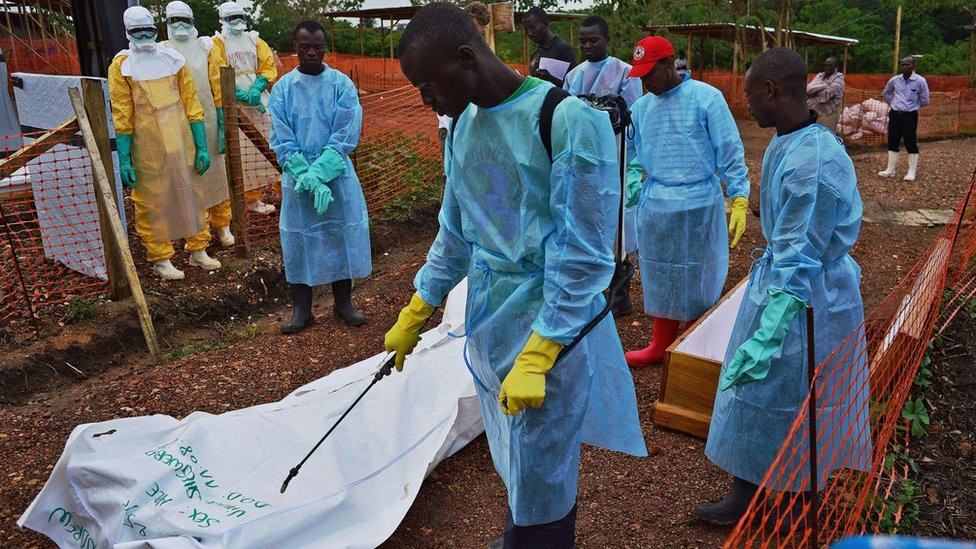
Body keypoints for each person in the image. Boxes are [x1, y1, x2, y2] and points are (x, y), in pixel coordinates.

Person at [385, 4, 645, 546]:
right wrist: (418, 306)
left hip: (550, 323)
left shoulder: (567, 120)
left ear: (466, 58)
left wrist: (543, 348)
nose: (424, 100)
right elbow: (456, 233)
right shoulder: (463, 128)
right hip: (492, 321)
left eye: (427, 85)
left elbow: (584, 254)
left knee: (544, 468)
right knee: (515, 456)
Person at [696, 47, 870, 527]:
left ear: (772, 90)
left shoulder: (811, 162)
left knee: (799, 399)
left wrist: (770, 333)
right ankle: (748, 491)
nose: (746, 102)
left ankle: (795, 502)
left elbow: (801, 256)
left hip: (807, 301)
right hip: (780, 284)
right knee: (760, 398)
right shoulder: (787, 139)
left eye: (750, 92)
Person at [623, 36, 750, 368]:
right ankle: (660, 344)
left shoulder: (706, 99)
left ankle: (696, 345)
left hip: (698, 203)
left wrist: (738, 196)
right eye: (641, 76)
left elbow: (730, 150)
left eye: (650, 73)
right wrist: (633, 175)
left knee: (699, 275)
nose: (645, 82)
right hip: (658, 204)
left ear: (670, 63)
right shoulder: (641, 108)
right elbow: (633, 153)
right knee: (662, 273)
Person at [269, 21, 372, 332]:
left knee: (339, 233)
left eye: (317, 46)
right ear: (295, 47)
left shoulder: (341, 85)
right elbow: (281, 136)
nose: (311, 52)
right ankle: (302, 310)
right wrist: (307, 175)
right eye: (305, 46)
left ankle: (344, 303)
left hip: (336, 174)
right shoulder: (283, 89)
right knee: (299, 239)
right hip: (298, 180)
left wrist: (322, 171)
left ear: (324, 47)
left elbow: (345, 132)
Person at [108, 6, 221, 280]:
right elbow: (122, 114)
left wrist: (202, 145)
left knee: (192, 192)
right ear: (128, 33)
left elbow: (192, 103)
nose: (145, 36)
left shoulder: (173, 59)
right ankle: (161, 258)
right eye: (138, 32)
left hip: (181, 139)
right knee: (152, 201)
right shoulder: (122, 66)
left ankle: (198, 249)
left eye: (149, 30)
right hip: (147, 146)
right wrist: (124, 158)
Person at [563, 14, 642, 317]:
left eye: (593, 40)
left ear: (606, 39)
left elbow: (631, 111)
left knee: (618, 213)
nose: (586, 45)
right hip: (584, 155)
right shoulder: (575, 75)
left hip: (618, 150)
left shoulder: (625, 72)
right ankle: (591, 284)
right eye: (582, 40)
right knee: (588, 213)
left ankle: (620, 287)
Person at [163, 0, 235, 250]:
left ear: (193, 22)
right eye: (175, 20)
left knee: (216, 174)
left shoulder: (206, 48)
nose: (180, 25)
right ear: (167, 23)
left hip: (209, 123)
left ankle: (222, 225)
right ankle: (196, 237)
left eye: (185, 20)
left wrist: (222, 122)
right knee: (189, 179)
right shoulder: (161, 50)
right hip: (176, 124)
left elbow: (217, 85)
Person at [213, 1, 279, 214]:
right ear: (222, 20)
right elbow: (217, 72)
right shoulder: (217, 43)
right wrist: (239, 94)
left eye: (240, 16)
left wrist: (258, 88)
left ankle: (266, 195)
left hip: (258, 101)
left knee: (266, 145)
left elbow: (268, 67)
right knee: (240, 151)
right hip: (232, 102)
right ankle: (243, 200)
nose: (237, 22)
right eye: (232, 18)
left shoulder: (255, 40)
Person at [879, 56, 930, 181]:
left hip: (910, 115)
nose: (905, 67)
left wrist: (912, 105)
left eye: (908, 65)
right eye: (902, 65)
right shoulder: (895, 80)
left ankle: (911, 171)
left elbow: (925, 100)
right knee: (892, 141)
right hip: (895, 114)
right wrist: (894, 102)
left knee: (910, 141)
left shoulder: (920, 81)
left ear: (914, 66)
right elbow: (886, 93)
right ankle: (890, 169)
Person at [523, 7, 576, 87]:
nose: (529, 33)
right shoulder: (535, 53)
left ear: (545, 23)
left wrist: (550, 78)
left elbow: (574, 85)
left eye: (532, 28)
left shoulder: (563, 48)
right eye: (526, 30)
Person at [806, 56, 845, 134]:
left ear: (836, 67)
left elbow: (830, 92)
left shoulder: (839, 77)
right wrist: (825, 86)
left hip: (830, 112)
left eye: (830, 65)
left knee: (826, 134)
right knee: (814, 133)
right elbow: (809, 88)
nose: (828, 67)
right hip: (815, 109)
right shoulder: (820, 76)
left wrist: (812, 94)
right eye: (826, 65)